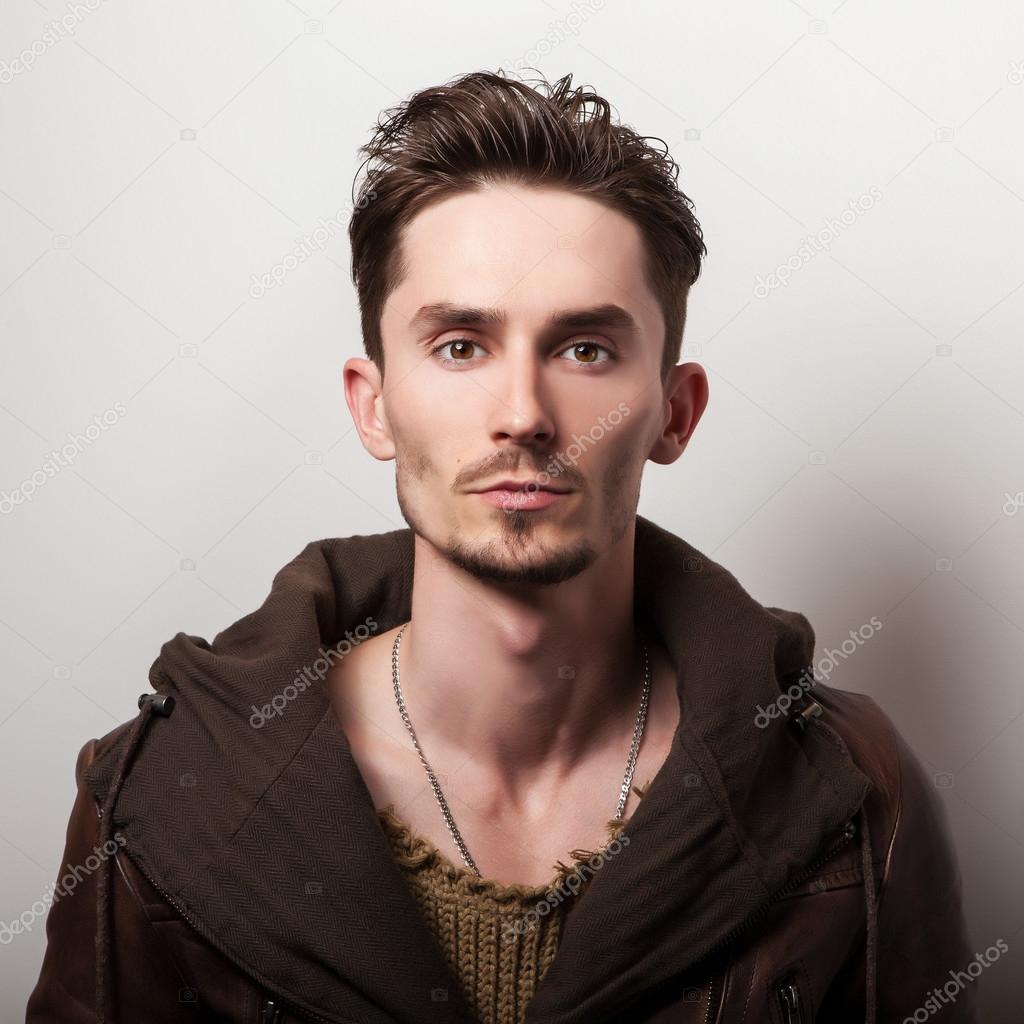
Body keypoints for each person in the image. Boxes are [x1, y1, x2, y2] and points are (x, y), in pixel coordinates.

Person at [26, 69, 975, 1024]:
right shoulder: (159, 800)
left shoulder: (852, 793)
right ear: (374, 403)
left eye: (586, 350)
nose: (522, 415)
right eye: (459, 346)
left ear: (674, 414)